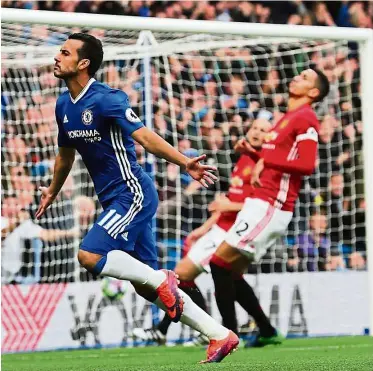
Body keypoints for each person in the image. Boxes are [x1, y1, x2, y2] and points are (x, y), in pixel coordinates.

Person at [35, 33, 238, 363]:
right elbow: (65, 155)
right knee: (147, 287)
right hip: (114, 198)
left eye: (65, 52)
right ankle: (219, 334)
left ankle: (164, 280)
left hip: (132, 193)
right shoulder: (63, 105)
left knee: (89, 255)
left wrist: (184, 161)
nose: (57, 57)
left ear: (83, 63)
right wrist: (52, 190)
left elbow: (144, 136)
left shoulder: (107, 99)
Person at [209, 68, 330, 347]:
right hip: (260, 203)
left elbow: (307, 164)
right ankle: (265, 330)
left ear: (313, 93)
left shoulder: (306, 119)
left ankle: (227, 335)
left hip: (271, 205)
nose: (297, 77)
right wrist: (252, 153)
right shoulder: (286, 119)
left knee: (218, 263)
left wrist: (267, 159)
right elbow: (273, 161)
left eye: (305, 78)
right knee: (229, 271)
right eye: (299, 74)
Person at [133, 119, 279, 345]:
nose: (258, 132)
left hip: (236, 231)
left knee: (182, 274)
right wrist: (204, 227)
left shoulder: (265, 165)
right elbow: (229, 202)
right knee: (230, 279)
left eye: (263, 130)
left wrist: (226, 206)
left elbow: (263, 205)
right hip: (221, 228)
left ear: (270, 137)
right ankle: (263, 329)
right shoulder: (243, 160)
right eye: (255, 128)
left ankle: (205, 330)